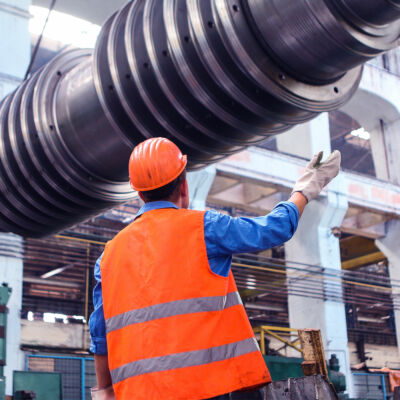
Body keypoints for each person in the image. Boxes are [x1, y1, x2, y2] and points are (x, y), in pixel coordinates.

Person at [89, 137, 341, 400]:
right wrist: (307, 187)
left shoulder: (108, 256)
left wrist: (105, 392)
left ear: (140, 194)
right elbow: (274, 229)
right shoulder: (205, 228)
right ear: (184, 184)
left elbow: (100, 337)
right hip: (206, 390)